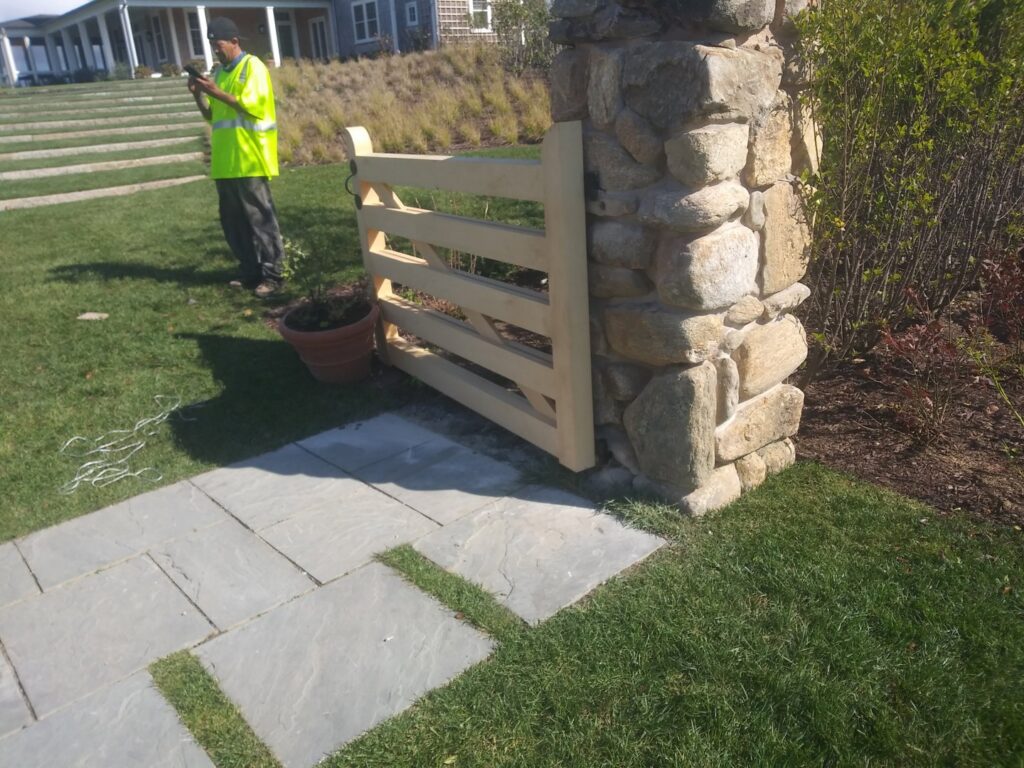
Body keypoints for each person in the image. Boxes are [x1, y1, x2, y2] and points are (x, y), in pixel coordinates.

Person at [187, 17, 284, 297]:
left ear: (234, 42)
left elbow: (252, 106)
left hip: (250, 158)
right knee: (234, 224)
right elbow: (212, 115)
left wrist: (215, 91)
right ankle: (250, 272)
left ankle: (274, 276)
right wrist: (198, 95)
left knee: (260, 220)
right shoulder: (220, 74)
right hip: (225, 162)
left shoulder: (252, 67)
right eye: (212, 46)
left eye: (218, 45)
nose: (216, 51)